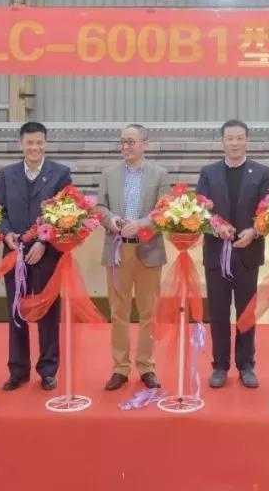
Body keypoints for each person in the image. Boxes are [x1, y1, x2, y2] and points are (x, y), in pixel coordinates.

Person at [196, 120, 269, 390]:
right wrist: (216, 226)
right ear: (222, 141)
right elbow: (200, 210)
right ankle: (219, 366)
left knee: (246, 312)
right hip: (216, 253)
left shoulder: (261, 172)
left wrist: (254, 231)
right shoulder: (209, 173)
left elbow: (267, 211)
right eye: (230, 138)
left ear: (247, 140)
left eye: (240, 138)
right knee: (218, 312)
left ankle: (246, 365)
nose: (235, 143)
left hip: (247, 252)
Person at [0, 122, 73, 392]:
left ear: (46, 143)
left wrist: (42, 241)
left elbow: (64, 214)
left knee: (48, 313)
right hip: (14, 254)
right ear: (21, 144)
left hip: (46, 255)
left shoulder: (60, 174)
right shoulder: (7, 174)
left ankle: (48, 370)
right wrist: (6, 234)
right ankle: (18, 370)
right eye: (29, 143)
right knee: (15, 311)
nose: (34, 148)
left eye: (39, 142)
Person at [96, 124, 171, 392]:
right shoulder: (108, 173)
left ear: (145, 144)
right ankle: (120, 368)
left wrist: (140, 224)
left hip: (149, 250)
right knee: (119, 312)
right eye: (123, 142)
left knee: (149, 312)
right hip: (117, 250)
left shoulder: (160, 174)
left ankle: (146, 365)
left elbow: (163, 211)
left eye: (131, 141)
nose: (126, 146)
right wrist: (111, 220)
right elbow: (99, 207)